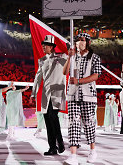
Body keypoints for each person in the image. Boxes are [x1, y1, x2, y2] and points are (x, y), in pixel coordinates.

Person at [63, 33, 101, 165]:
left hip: (88, 95)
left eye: (83, 40)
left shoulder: (95, 57)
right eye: (78, 40)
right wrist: (69, 57)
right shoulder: (73, 56)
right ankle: (73, 155)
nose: (80, 42)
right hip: (73, 94)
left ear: (88, 42)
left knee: (88, 123)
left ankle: (92, 150)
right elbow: (65, 72)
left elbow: (96, 76)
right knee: (73, 123)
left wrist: (79, 81)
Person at [29, 35, 67, 156]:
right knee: (47, 119)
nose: (43, 47)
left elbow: (71, 58)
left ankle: (60, 142)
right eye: (43, 45)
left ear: (51, 47)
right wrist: (33, 94)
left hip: (57, 92)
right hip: (46, 94)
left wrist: (69, 49)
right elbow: (37, 78)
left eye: (45, 45)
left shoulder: (62, 57)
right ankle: (52, 147)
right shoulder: (42, 60)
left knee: (52, 116)